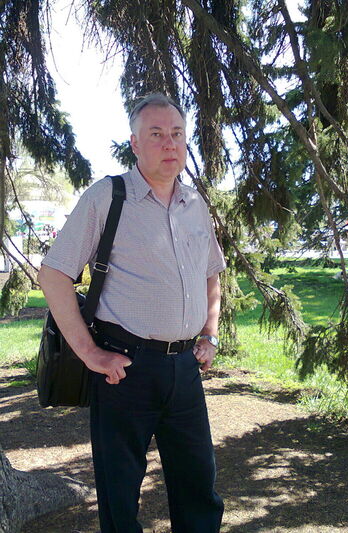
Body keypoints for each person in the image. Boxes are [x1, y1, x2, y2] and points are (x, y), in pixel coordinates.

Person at [37, 93, 226, 533]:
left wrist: (210, 333)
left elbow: (211, 273)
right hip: (124, 369)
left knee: (198, 486)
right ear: (135, 144)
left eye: (177, 133)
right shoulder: (108, 197)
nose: (169, 143)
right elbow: (53, 275)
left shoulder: (195, 204)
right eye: (156, 134)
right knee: (120, 494)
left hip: (184, 368)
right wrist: (89, 353)